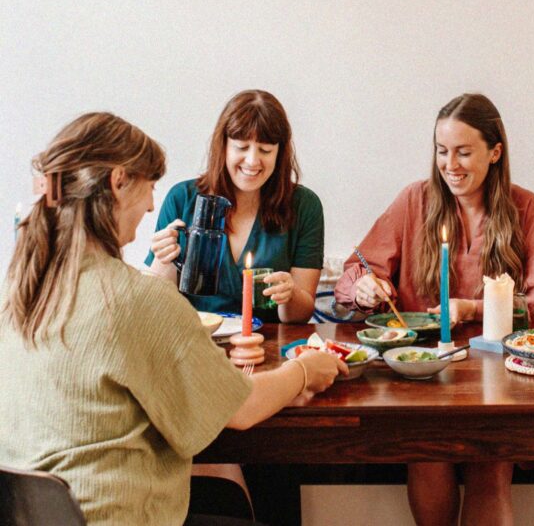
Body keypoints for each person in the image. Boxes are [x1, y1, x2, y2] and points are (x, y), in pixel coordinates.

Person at [0, 112, 346, 526]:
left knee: (225, 501)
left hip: (38, 514)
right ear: (118, 181)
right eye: (149, 188)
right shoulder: (135, 299)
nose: (151, 206)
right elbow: (241, 407)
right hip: (112, 516)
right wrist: (304, 370)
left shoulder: (22, 288)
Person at [335, 93, 534, 526]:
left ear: (494, 152)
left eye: (463, 152)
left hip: (497, 374)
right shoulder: (414, 200)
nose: (450, 164)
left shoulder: (526, 208)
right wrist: (363, 287)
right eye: (441, 151)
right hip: (421, 371)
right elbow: (355, 271)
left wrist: (471, 308)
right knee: (426, 456)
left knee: (490, 467)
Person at [146, 89, 323, 323]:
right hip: (195, 341)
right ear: (224, 146)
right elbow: (158, 306)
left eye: (265, 150)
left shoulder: (304, 206)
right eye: (241, 147)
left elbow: (299, 317)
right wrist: (163, 258)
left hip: (267, 346)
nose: (252, 161)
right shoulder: (182, 198)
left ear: (280, 153)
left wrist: (290, 295)